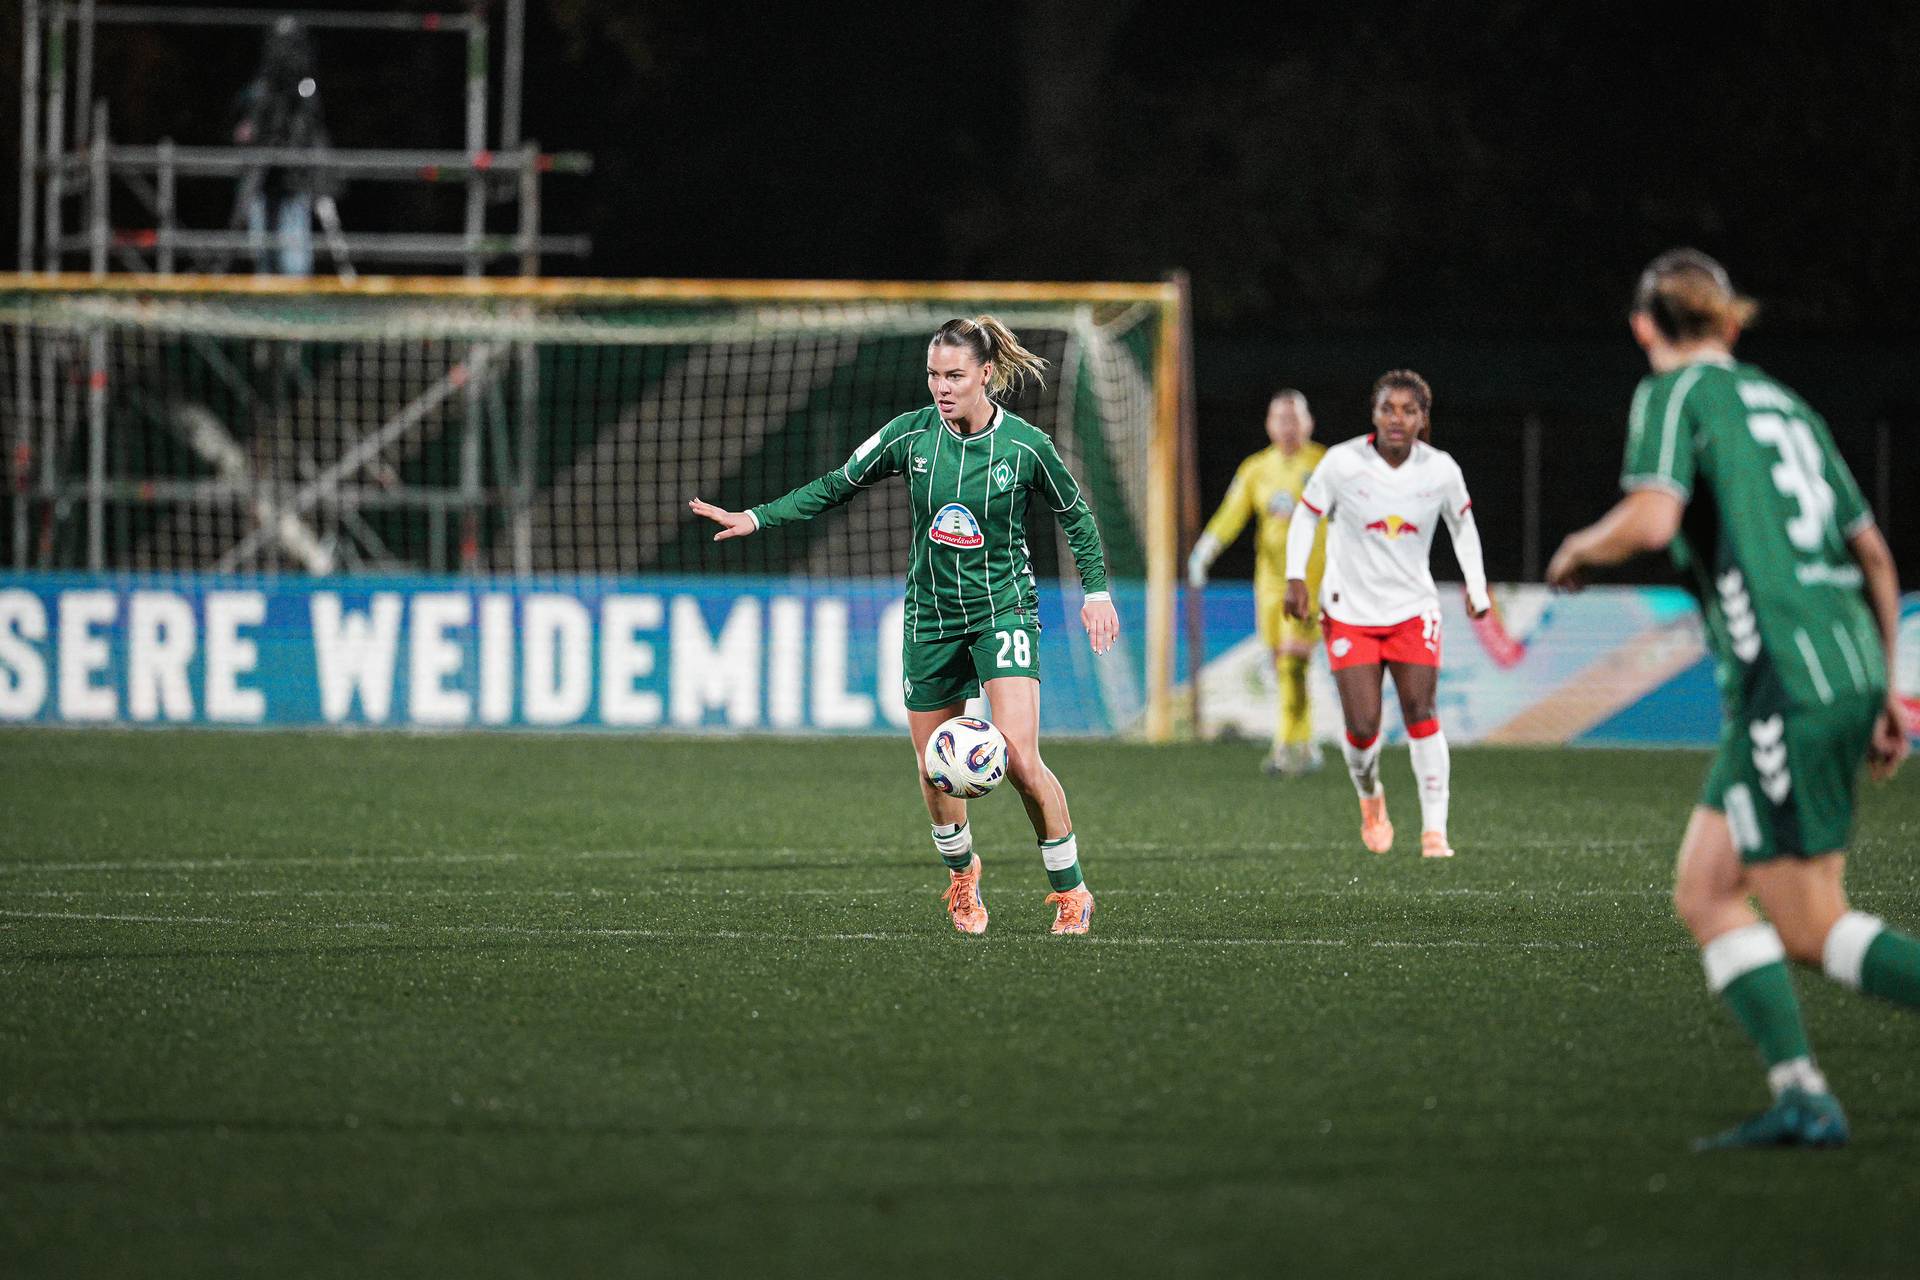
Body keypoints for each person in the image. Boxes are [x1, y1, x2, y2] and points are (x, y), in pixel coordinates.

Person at [1547, 249, 1913, 1150]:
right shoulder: (1790, 405)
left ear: (1643, 328)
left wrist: (1578, 550)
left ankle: (1806, 1101)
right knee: (1707, 890)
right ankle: (1802, 1096)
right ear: (1731, 323)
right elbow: (1872, 556)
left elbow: (1654, 517)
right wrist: (1885, 688)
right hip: (1839, 664)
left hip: (1782, 680)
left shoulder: (1673, 397)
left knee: (1809, 923)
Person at [689, 316, 1119, 936]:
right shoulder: (909, 436)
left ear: (986, 376)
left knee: (1022, 757)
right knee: (933, 764)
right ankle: (963, 878)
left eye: (954, 376)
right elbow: (836, 485)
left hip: (1004, 611)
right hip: (930, 616)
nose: (941, 388)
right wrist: (758, 517)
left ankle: (1071, 889)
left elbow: (1076, 516)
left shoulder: (1026, 448)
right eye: (933, 375)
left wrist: (1097, 593)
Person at [1282, 371, 1491, 858]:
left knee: (1421, 712)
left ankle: (1434, 830)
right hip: (1349, 610)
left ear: (1423, 418)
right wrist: (1297, 577)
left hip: (1412, 610)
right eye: (1388, 409)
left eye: (1408, 410)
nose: (1397, 419)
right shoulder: (1342, 462)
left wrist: (1476, 587)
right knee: (1362, 727)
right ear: (1373, 413)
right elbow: (1307, 514)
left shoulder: (1440, 470)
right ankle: (1370, 796)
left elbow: (1463, 526)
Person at [1187, 389, 1330, 776]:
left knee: (1291, 663)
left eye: (1294, 418)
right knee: (1283, 665)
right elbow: (1232, 514)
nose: (1287, 426)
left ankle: (1285, 748)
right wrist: (1206, 550)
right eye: (1280, 418)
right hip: (1267, 584)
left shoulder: (1324, 465)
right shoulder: (1256, 469)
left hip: (1309, 584)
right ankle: (1308, 740)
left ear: (1309, 423)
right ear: (1268, 425)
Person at [229, 18, 336, 277]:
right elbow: (242, 124)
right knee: (265, 256)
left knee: (293, 261)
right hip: (264, 181)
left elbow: (312, 126)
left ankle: (293, 303)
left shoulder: (306, 89)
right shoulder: (260, 90)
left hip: (295, 180)